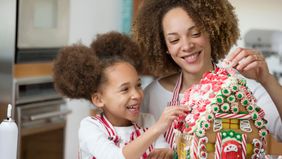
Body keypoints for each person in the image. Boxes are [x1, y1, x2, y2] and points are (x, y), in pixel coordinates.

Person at [132, 0, 282, 149]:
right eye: (174, 40)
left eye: (195, 33)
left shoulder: (243, 88)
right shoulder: (151, 95)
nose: (187, 46)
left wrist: (267, 80)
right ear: (165, 47)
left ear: (211, 31)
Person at [53, 31, 188, 159]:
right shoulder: (90, 127)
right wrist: (158, 127)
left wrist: (168, 153)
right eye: (125, 89)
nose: (137, 94)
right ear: (99, 99)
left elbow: (162, 150)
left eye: (138, 85)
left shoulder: (147, 121)